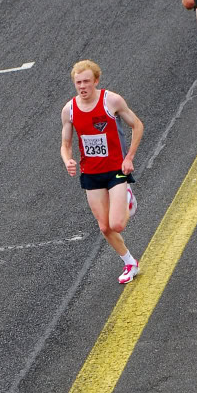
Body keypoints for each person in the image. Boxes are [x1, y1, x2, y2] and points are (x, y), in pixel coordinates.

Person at [60, 60, 144, 286]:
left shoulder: (111, 101)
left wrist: (129, 158)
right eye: (78, 82)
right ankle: (130, 263)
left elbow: (137, 125)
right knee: (104, 227)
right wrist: (67, 159)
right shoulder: (70, 110)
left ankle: (127, 197)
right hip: (91, 174)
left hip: (116, 170)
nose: (82, 86)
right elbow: (65, 144)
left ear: (96, 81)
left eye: (87, 81)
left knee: (117, 225)